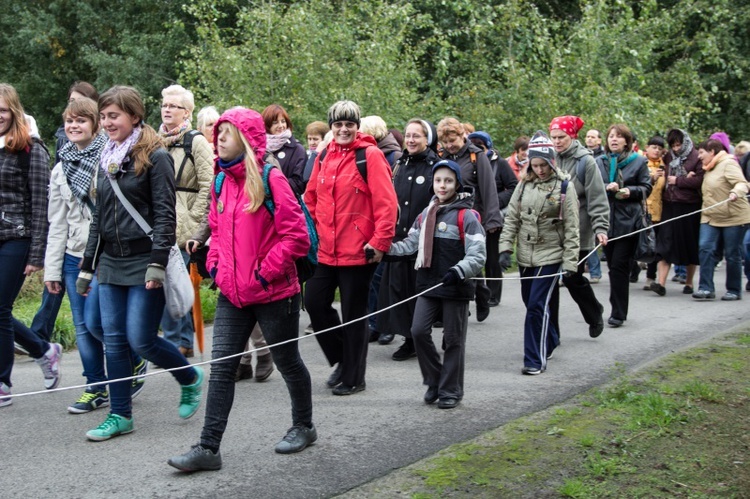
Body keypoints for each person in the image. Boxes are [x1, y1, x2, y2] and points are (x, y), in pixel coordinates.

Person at [167, 108, 315, 471]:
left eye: (227, 133)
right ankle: (208, 447)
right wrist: (216, 266)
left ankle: (304, 426)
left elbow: (295, 238)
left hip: (274, 292)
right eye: (218, 132)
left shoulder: (271, 178)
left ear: (247, 140)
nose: (219, 138)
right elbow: (216, 231)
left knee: (288, 362)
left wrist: (264, 274)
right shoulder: (220, 179)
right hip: (233, 293)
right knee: (221, 368)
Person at [77, 86, 203, 440]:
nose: (106, 123)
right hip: (111, 261)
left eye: (113, 116)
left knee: (141, 339)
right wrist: (88, 266)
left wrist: (158, 263)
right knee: (114, 340)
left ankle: (189, 377)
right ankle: (120, 415)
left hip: (146, 259)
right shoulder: (106, 156)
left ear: (134, 116)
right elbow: (99, 217)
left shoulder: (156, 156)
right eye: (103, 116)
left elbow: (165, 215)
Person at [304, 100, 398, 396]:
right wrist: (311, 234)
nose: (343, 129)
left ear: (357, 127)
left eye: (349, 124)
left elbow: (387, 204)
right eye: (338, 124)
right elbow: (310, 199)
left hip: (360, 251)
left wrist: (380, 242)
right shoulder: (323, 157)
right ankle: (344, 360)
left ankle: (354, 377)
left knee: (354, 315)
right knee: (315, 303)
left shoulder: (369, 155)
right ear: (331, 127)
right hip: (325, 250)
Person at [387, 159, 486, 408]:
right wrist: (385, 250)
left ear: (457, 183)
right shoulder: (426, 213)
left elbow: (477, 254)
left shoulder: (467, 216)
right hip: (428, 282)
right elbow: (410, 244)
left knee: (453, 340)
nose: (443, 186)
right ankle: (434, 380)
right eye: (438, 180)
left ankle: (451, 390)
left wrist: (459, 270)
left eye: (448, 181)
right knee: (418, 331)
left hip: (455, 285)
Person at [0, 83, 61, 407]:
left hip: (18, 237)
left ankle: (2, 383)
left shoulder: (31, 149)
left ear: (14, 111)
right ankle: (43, 350)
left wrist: (38, 253)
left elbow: (41, 204)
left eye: (3, 110)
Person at [499, 132, 579, 375]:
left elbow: (572, 226)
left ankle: (534, 359)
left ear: (552, 162)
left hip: (551, 253)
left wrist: (570, 262)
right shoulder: (523, 185)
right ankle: (551, 337)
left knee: (536, 305)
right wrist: (505, 247)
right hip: (525, 255)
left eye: (544, 164)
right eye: (535, 165)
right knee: (531, 303)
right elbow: (512, 217)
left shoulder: (565, 186)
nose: (540, 169)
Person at [158, 84, 214, 358]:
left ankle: (182, 341)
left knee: (177, 283)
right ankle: (172, 340)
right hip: (159, 220)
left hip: (184, 223)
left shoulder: (197, 141)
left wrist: (194, 220)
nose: (167, 110)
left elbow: (208, 184)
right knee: (160, 282)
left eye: (173, 106)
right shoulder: (154, 141)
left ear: (187, 112)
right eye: (164, 105)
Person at [377, 119, 439, 361]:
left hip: (424, 240)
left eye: (417, 136)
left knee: (418, 290)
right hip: (399, 238)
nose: (411, 140)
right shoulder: (400, 164)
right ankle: (407, 337)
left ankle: (418, 338)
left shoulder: (435, 165)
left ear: (428, 139)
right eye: (408, 135)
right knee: (398, 289)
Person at [437, 118, 503, 322]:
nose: (449, 145)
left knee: (469, 261)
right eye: (445, 141)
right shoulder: (442, 156)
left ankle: (482, 295)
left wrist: (492, 220)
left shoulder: (476, 156)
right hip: (447, 218)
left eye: (453, 140)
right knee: (451, 261)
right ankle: (459, 305)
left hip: (471, 218)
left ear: (462, 135)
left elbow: (488, 189)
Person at [549, 115, 608, 337]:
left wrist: (601, 228)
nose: (556, 141)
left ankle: (594, 312)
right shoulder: (549, 159)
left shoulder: (586, 162)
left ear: (572, 136)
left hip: (578, 230)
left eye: (561, 137)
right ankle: (551, 334)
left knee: (571, 277)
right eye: (553, 137)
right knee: (549, 282)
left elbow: (597, 198)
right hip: (552, 231)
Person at [595, 124, 651, 327]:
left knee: (618, 265)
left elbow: (646, 187)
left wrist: (629, 191)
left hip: (628, 221)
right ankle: (614, 307)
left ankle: (618, 312)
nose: (614, 140)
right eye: (611, 136)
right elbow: (591, 186)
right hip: (604, 220)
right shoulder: (599, 161)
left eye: (618, 137)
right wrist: (605, 187)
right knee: (612, 265)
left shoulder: (638, 161)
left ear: (626, 141)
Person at [360, 115, 403, 345]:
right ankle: (374, 322)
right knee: (373, 280)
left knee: (383, 279)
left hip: (388, 225)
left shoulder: (393, 156)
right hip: (370, 224)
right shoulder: (367, 153)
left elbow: (389, 196)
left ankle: (385, 325)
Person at [693, 139, 750, 301]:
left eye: (702, 153)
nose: (699, 156)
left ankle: (733, 289)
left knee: (732, 254)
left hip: (733, 216)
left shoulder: (728, 163)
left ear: (712, 152)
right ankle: (705, 288)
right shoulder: (708, 167)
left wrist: (735, 192)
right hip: (710, 215)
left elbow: (742, 183)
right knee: (705, 248)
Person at [648, 130, 703, 296]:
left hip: (689, 206)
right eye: (673, 145)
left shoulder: (695, 157)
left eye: (678, 145)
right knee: (665, 243)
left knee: (689, 244)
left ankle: (689, 282)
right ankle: (661, 284)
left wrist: (679, 180)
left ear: (685, 142)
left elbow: (700, 180)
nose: (676, 148)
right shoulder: (669, 157)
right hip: (669, 205)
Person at [468, 130, 519, 306]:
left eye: (480, 146)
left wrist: (496, 201)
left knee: (491, 257)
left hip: (491, 215)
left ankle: (493, 294)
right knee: (471, 256)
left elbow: (513, 186)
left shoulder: (500, 164)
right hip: (471, 215)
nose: (477, 149)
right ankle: (474, 291)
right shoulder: (469, 161)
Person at [640, 136, 667, 291]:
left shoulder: (665, 166)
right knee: (637, 243)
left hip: (658, 212)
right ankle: (634, 268)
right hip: (641, 210)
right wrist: (652, 178)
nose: (656, 150)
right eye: (653, 147)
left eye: (659, 148)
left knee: (654, 246)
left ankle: (651, 277)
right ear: (647, 148)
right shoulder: (641, 163)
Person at [262, 104, 306, 195]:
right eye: (275, 122)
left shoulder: (297, 149)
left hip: (286, 202)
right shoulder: (259, 148)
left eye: (283, 121)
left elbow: (299, 183)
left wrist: (271, 187)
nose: (281, 125)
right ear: (266, 124)